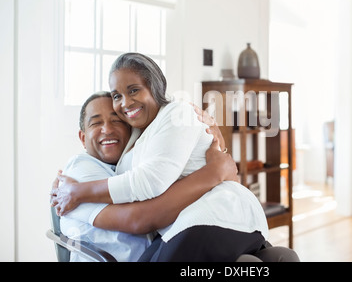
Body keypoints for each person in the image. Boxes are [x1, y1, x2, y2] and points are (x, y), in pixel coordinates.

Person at [53, 52, 269, 262]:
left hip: (214, 218)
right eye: (117, 96)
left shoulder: (177, 114)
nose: (125, 103)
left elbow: (149, 183)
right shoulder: (136, 136)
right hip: (177, 226)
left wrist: (78, 191)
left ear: (154, 87)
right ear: (82, 136)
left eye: (134, 90)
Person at [54, 91, 238, 261]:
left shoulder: (128, 167)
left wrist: (210, 132)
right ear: (82, 137)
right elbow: (138, 219)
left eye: (117, 121)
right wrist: (215, 172)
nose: (107, 129)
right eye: (96, 123)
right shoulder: (80, 171)